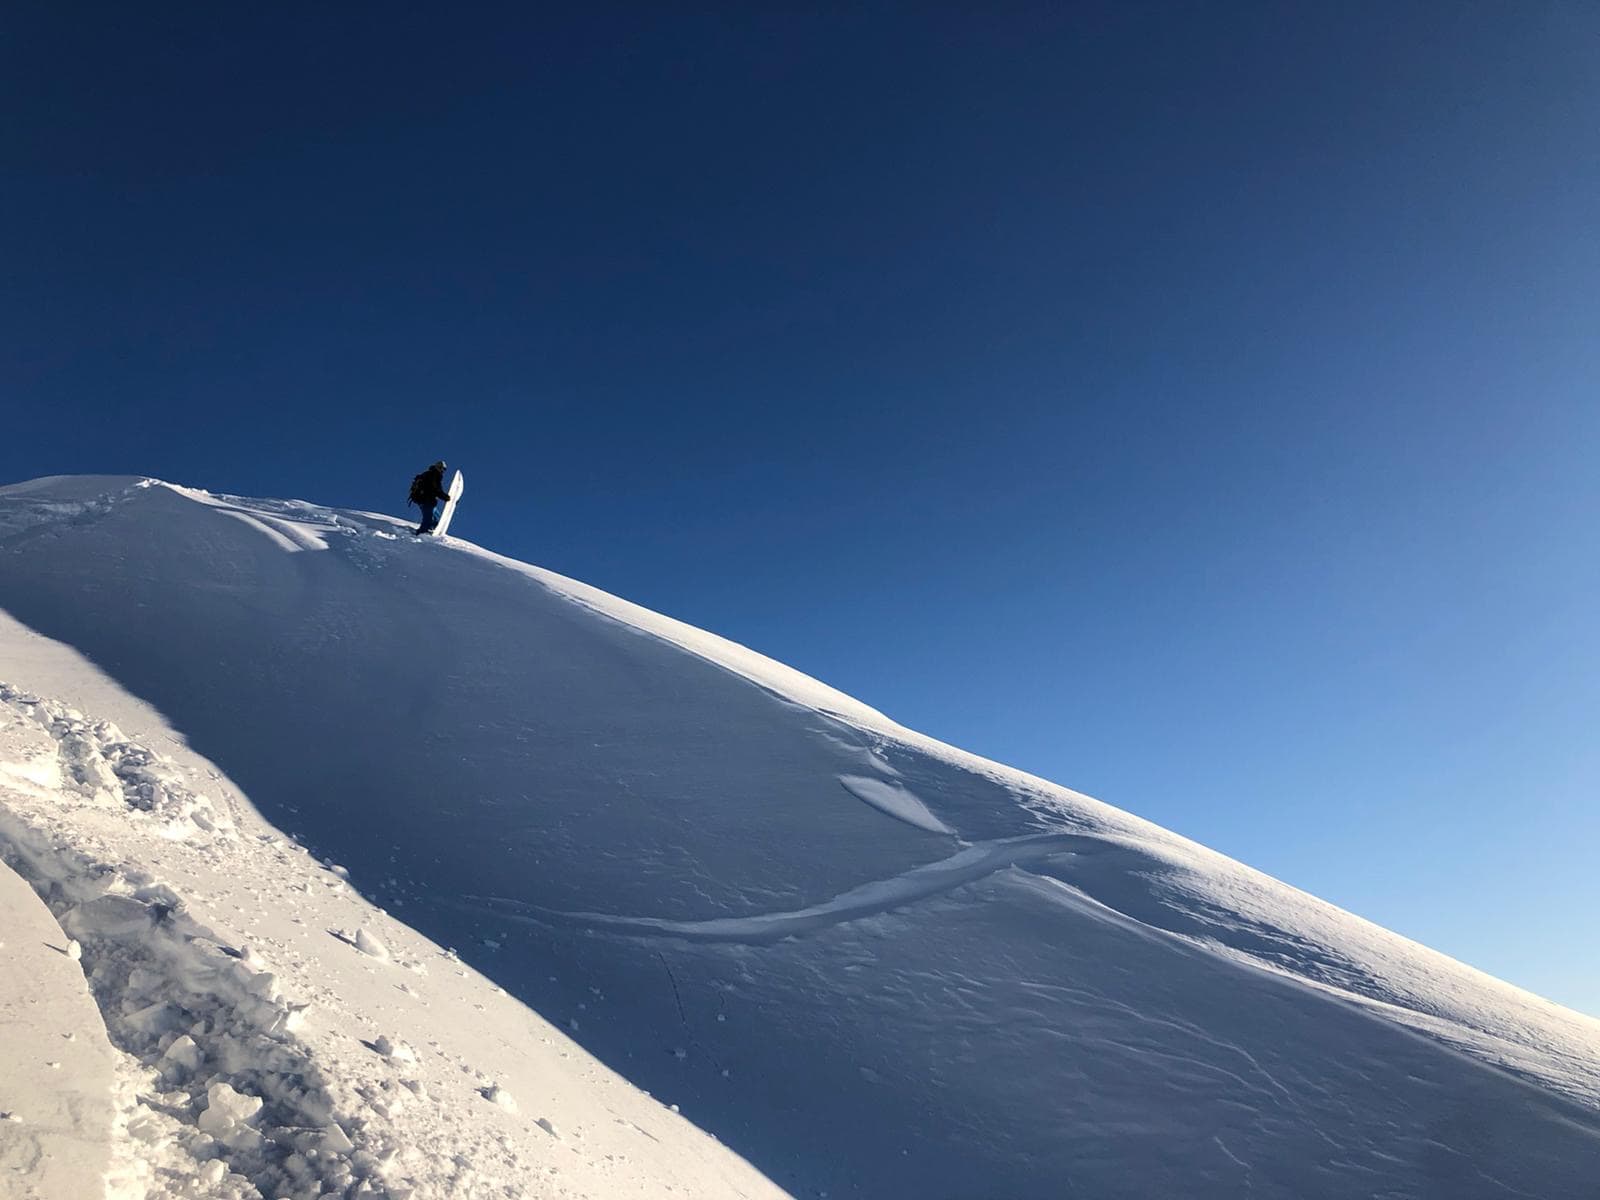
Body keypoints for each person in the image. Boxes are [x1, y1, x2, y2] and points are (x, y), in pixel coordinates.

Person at [409, 460, 452, 535]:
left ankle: (429, 530)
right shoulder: (433, 475)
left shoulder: (433, 475)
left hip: (428, 501)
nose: (442, 470)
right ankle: (420, 534)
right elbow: (434, 489)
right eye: (441, 468)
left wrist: (444, 496)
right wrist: (444, 497)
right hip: (426, 500)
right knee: (428, 519)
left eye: (444, 469)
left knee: (437, 520)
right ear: (437, 467)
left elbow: (436, 489)